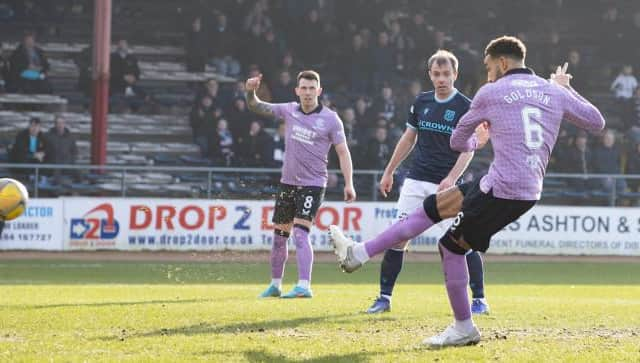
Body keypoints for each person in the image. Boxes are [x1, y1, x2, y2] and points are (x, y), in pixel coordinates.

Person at [329, 36, 605, 347]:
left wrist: (477, 140)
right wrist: (565, 87)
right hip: (517, 185)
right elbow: (596, 122)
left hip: (504, 189)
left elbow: (457, 143)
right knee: (432, 207)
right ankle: (358, 253)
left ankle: (464, 327)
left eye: (488, 67)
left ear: (501, 64)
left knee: (450, 247)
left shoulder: (490, 92)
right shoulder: (552, 90)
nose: (486, 74)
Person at [365, 50, 488, 316]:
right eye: (436, 74)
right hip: (415, 181)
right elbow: (408, 138)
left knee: (463, 240)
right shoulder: (421, 102)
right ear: (430, 74)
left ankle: (479, 299)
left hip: (447, 186)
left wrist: (451, 178)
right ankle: (384, 298)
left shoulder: (465, 107)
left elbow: (469, 149)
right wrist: (389, 171)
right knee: (398, 238)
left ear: (455, 74)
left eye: (446, 74)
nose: (441, 79)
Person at [246, 70, 356, 299]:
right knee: (279, 237)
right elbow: (257, 106)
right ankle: (275, 285)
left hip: (313, 185)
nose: (307, 92)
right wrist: (250, 91)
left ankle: (304, 286)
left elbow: (343, 152)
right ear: (297, 91)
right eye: (303, 88)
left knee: (300, 233)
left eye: (311, 88)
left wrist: (349, 183)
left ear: (319, 90)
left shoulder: (331, 119)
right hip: (287, 184)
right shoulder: (289, 110)